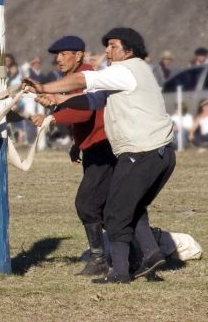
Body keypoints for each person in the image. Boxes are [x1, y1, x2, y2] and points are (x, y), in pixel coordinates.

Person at [25, 27, 176, 284]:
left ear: (129, 49)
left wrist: (44, 86)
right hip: (163, 155)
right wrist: (57, 100)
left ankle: (118, 271)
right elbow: (90, 102)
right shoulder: (138, 71)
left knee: (113, 211)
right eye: (106, 45)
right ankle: (151, 255)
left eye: (113, 45)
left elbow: (83, 84)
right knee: (131, 206)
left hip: (141, 153)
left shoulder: (124, 70)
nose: (107, 50)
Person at [30, 36, 115, 276]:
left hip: (104, 148)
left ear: (78, 55)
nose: (58, 59)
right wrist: (77, 143)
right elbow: (75, 111)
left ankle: (100, 259)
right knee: (109, 208)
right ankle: (141, 251)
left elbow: (83, 114)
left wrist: (50, 118)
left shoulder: (86, 76)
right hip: (93, 148)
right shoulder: (74, 78)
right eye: (56, 55)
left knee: (87, 204)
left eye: (64, 53)